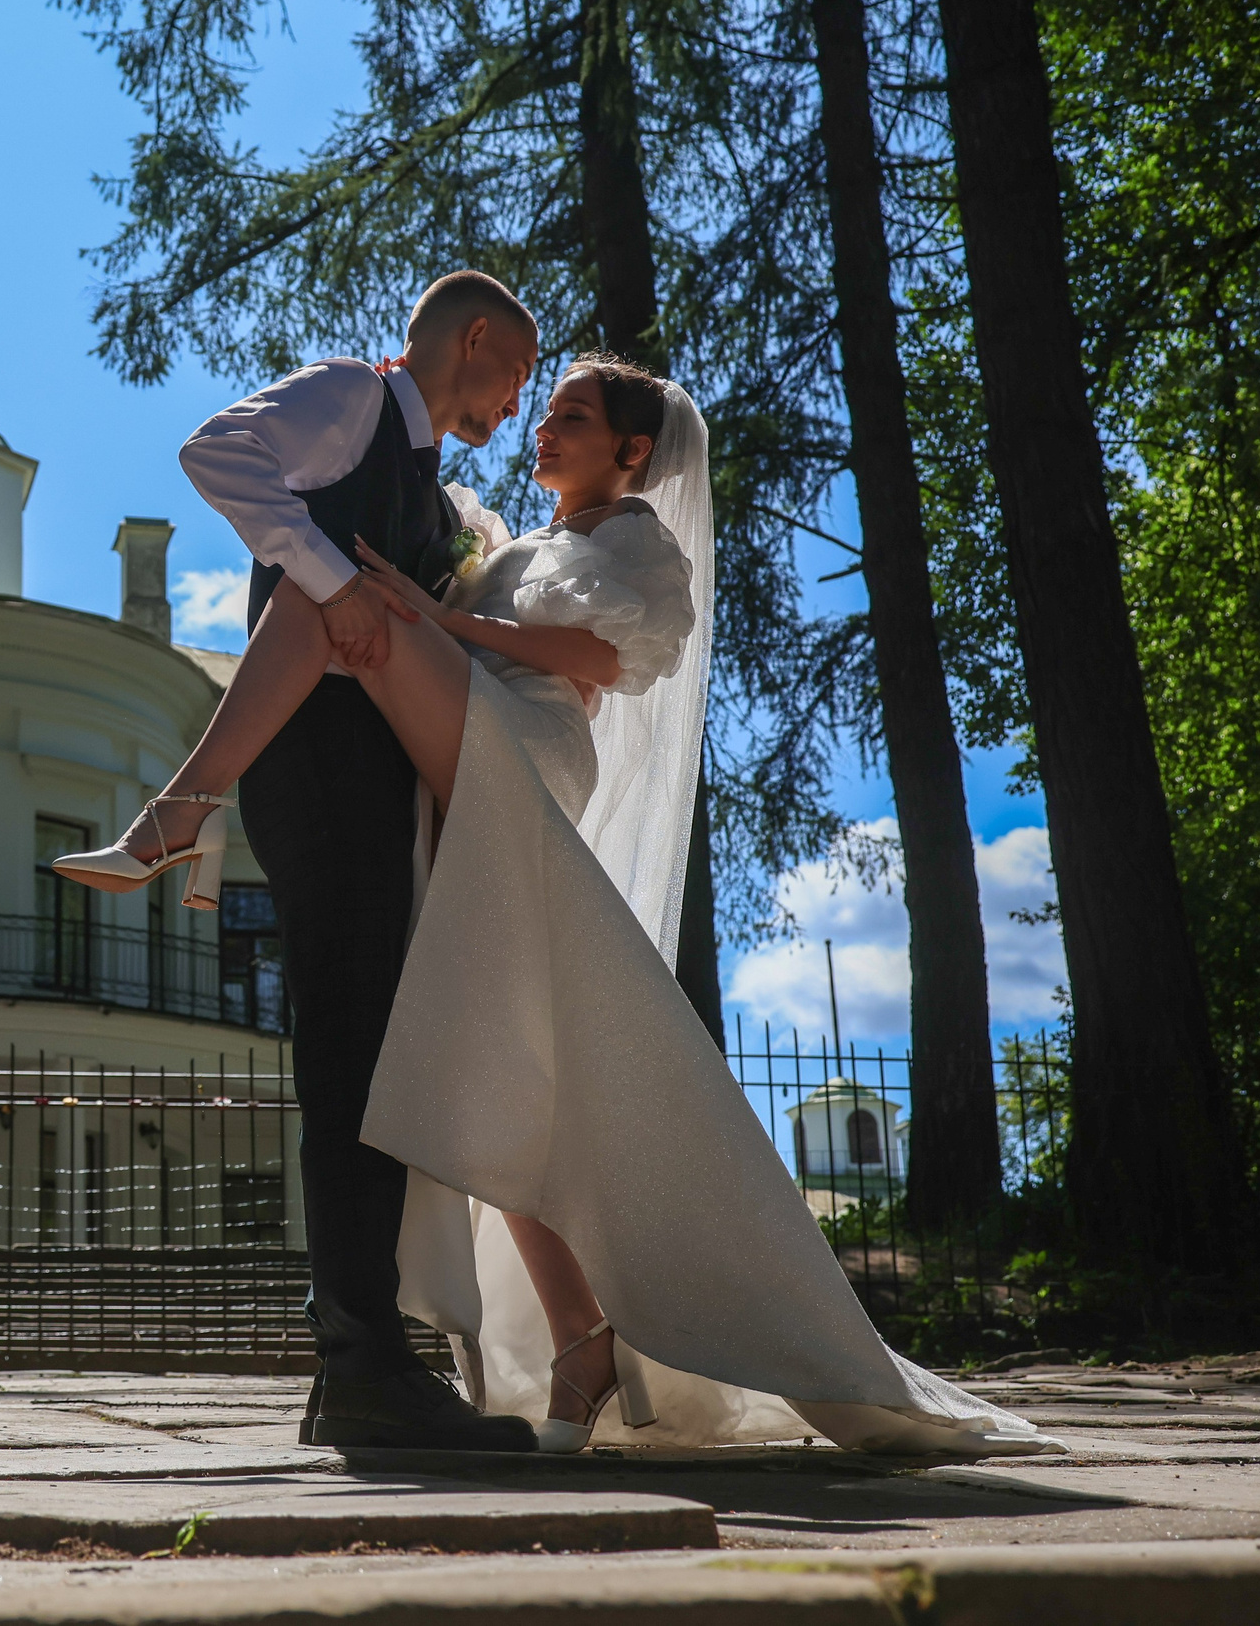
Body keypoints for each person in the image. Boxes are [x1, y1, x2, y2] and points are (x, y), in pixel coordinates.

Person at [65, 337, 1060, 1460]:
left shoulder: (636, 541)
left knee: (315, 600)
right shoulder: (514, 536)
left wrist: (434, 620)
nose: (545, 427)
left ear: (632, 454)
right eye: (548, 413)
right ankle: (582, 1337)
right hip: (463, 745)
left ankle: (181, 814)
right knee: (511, 1073)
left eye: (574, 418)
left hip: (525, 746)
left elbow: (594, 659)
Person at [57, 270, 542, 1452]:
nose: (515, 408)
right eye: (514, 377)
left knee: (361, 1050)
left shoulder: (426, 474)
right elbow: (213, 452)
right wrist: (327, 581)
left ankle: (356, 1366)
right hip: (314, 765)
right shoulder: (352, 395)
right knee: (351, 1054)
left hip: (357, 771)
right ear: (471, 340)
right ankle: (364, 1364)